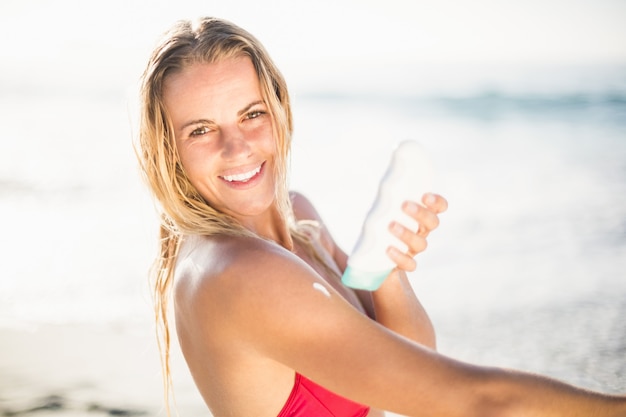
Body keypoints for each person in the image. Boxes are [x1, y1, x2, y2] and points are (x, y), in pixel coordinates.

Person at [136, 16, 626, 417]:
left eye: (251, 114)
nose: (238, 146)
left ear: (279, 110)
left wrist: (386, 266)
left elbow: (413, 357)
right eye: (201, 130)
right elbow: (479, 402)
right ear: (168, 150)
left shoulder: (297, 219)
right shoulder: (241, 274)